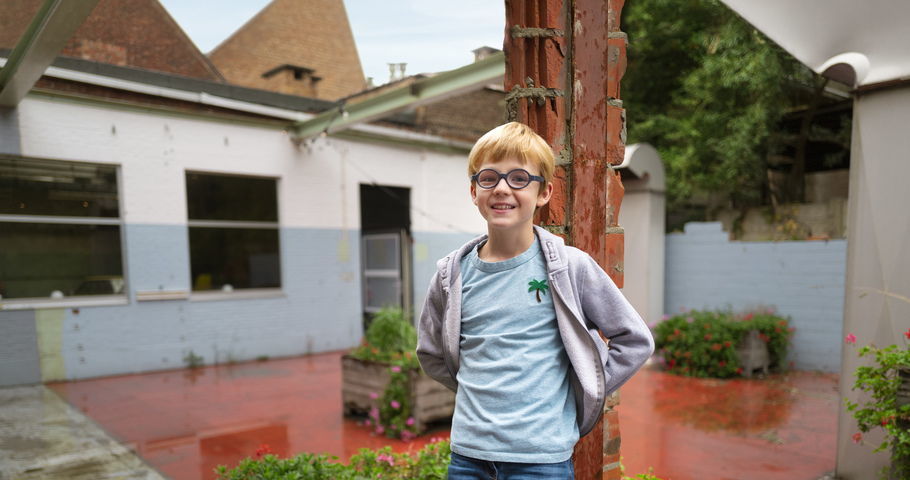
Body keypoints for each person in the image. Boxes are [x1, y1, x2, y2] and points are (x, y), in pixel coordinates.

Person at [416, 122, 655, 480]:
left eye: (518, 178)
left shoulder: (571, 267)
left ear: (544, 193)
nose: (501, 188)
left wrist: (584, 386)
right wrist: (479, 392)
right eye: (489, 178)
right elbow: (431, 352)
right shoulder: (452, 274)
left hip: (542, 459)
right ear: (473, 190)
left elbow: (635, 340)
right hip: (468, 456)